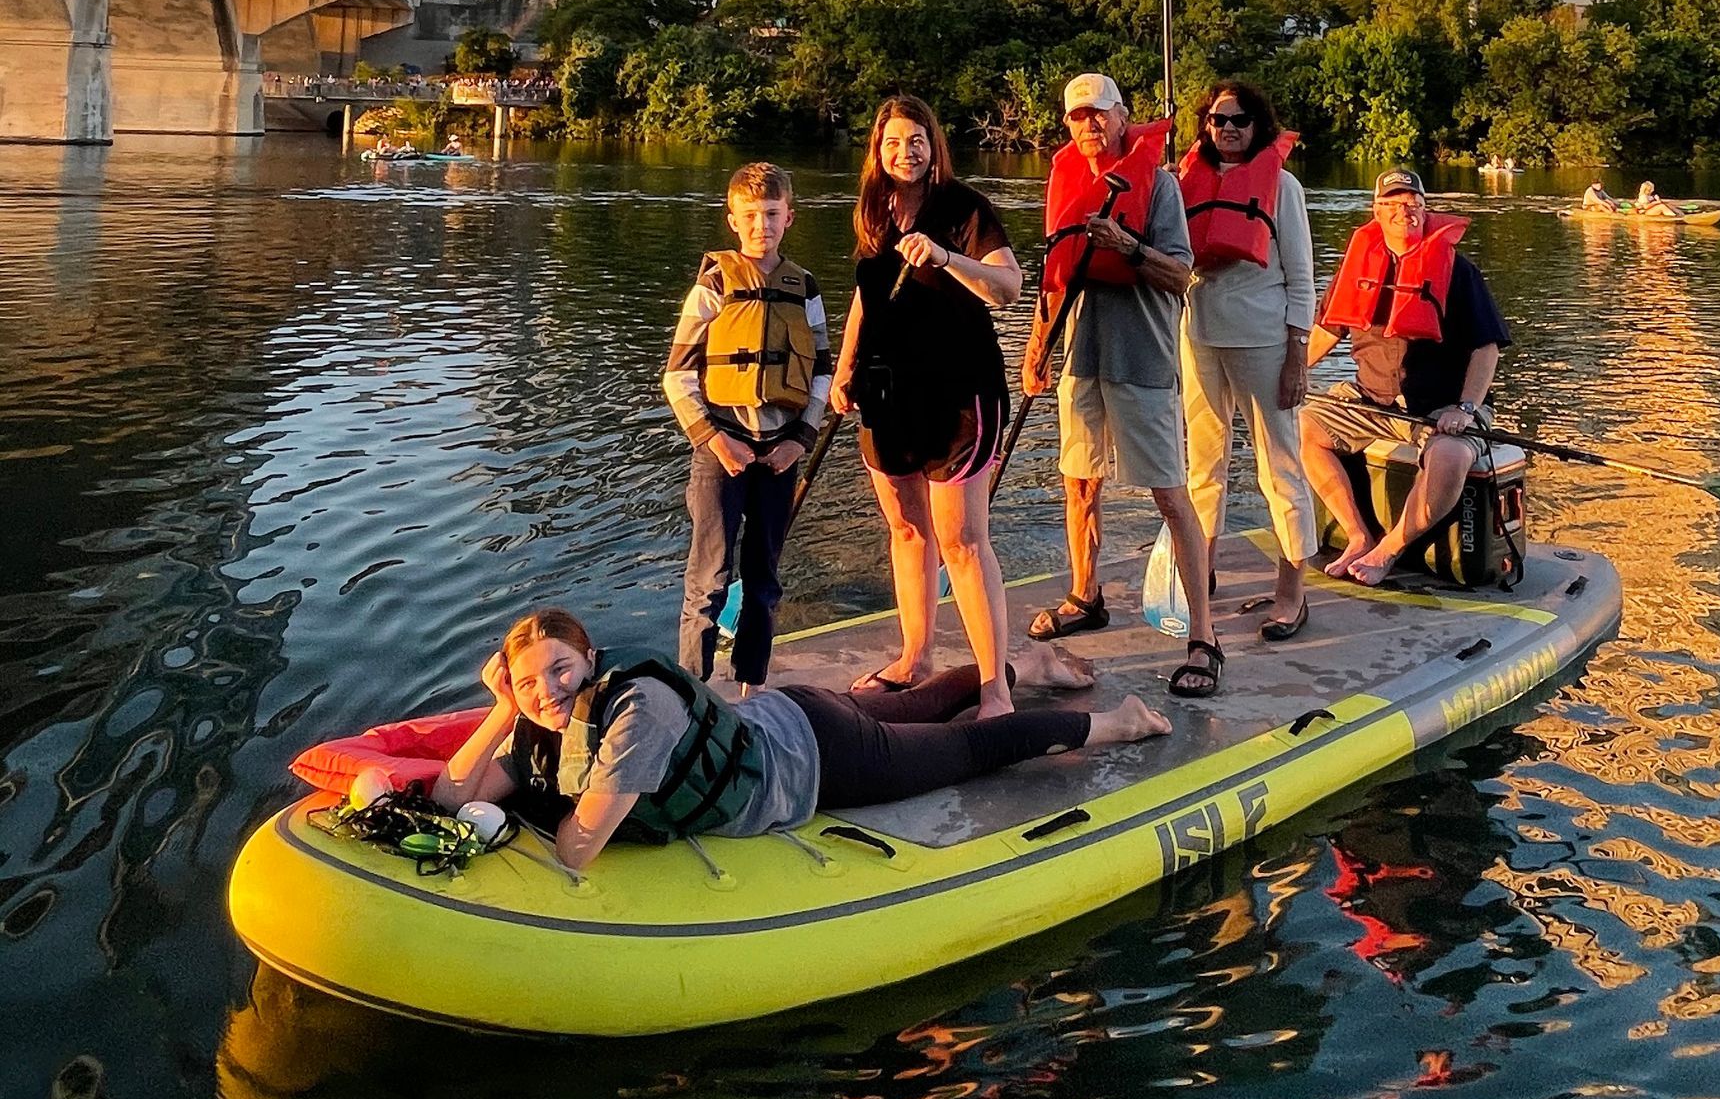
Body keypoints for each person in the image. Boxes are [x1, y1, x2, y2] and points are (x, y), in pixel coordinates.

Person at [431, 607, 1170, 871]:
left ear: (591, 661)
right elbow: (450, 792)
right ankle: (1024, 661)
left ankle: (1118, 722)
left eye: (559, 671)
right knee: (915, 704)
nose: (547, 693)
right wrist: (503, 709)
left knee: (967, 749)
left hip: (821, 757)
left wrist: (524, 799)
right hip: (793, 710)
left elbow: (577, 847)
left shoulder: (633, 717)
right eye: (528, 682)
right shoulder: (538, 718)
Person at [1021, 73, 1219, 700]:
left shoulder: (1158, 187)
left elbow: (1180, 273)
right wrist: (1035, 345)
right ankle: (1087, 594)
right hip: (1081, 356)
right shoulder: (1066, 184)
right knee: (1078, 481)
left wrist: (1128, 245)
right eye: (1077, 118)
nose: (1088, 127)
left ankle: (1204, 637)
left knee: (1169, 494)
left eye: (1099, 116)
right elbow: (1055, 278)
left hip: (1143, 361)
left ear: (1123, 116)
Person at [828, 95, 1023, 711]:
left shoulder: (964, 208)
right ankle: (916, 656)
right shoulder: (873, 210)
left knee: (962, 538)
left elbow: (1009, 289)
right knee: (908, 529)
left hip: (960, 393)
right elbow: (868, 294)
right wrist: (844, 365)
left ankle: (995, 687)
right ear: (877, 152)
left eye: (916, 141)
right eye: (892, 143)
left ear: (934, 146)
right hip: (890, 392)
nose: (905, 152)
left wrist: (944, 257)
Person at [1298, 167, 1511, 589]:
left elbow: (1486, 348)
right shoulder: (1356, 266)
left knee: (1450, 458)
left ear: (1425, 209)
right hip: (1370, 400)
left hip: (1444, 406)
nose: (1403, 212)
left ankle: (1389, 548)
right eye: (1392, 204)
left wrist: (1465, 409)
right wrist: (1290, 373)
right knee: (1304, 426)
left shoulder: (1457, 270)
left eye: (1412, 204)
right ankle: (1358, 534)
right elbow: (1324, 331)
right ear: (1376, 210)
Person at [664, 161, 831, 692]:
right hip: (720, 451)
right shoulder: (714, 284)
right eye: (752, 215)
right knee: (709, 580)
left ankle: (752, 688)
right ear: (733, 220)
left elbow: (822, 369)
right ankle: (692, 695)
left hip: (779, 453)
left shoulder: (804, 286)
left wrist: (800, 439)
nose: (762, 225)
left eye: (773, 214)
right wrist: (714, 439)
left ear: (790, 218)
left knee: (763, 580)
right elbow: (677, 374)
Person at [1177, 80, 1317, 641]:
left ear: (1258, 125)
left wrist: (1297, 355)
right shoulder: (1186, 183)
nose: (1227, 129)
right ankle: (1199, 571)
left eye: (1238, 120)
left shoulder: (1282, 186)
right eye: (1217, 120)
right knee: (1202, 466)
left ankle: (1292, 592)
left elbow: (1303, 278)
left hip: (1263, 339)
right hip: (1200, 335)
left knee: (1279, 465)